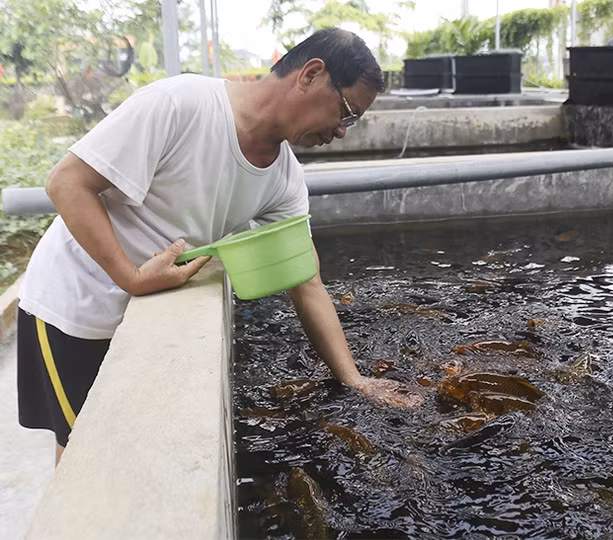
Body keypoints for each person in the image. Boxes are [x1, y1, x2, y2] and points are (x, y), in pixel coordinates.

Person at [16, 27, 421, 466]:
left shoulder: (284, 179)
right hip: (78, 305)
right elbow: (67, 182)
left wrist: (355, 380)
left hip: (145, 310)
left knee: (119, 450)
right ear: (311, 74)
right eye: (347, 113)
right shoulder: (181, 104)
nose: (343, 132)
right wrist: (128, 276)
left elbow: (307, 283)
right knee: (81, 455)